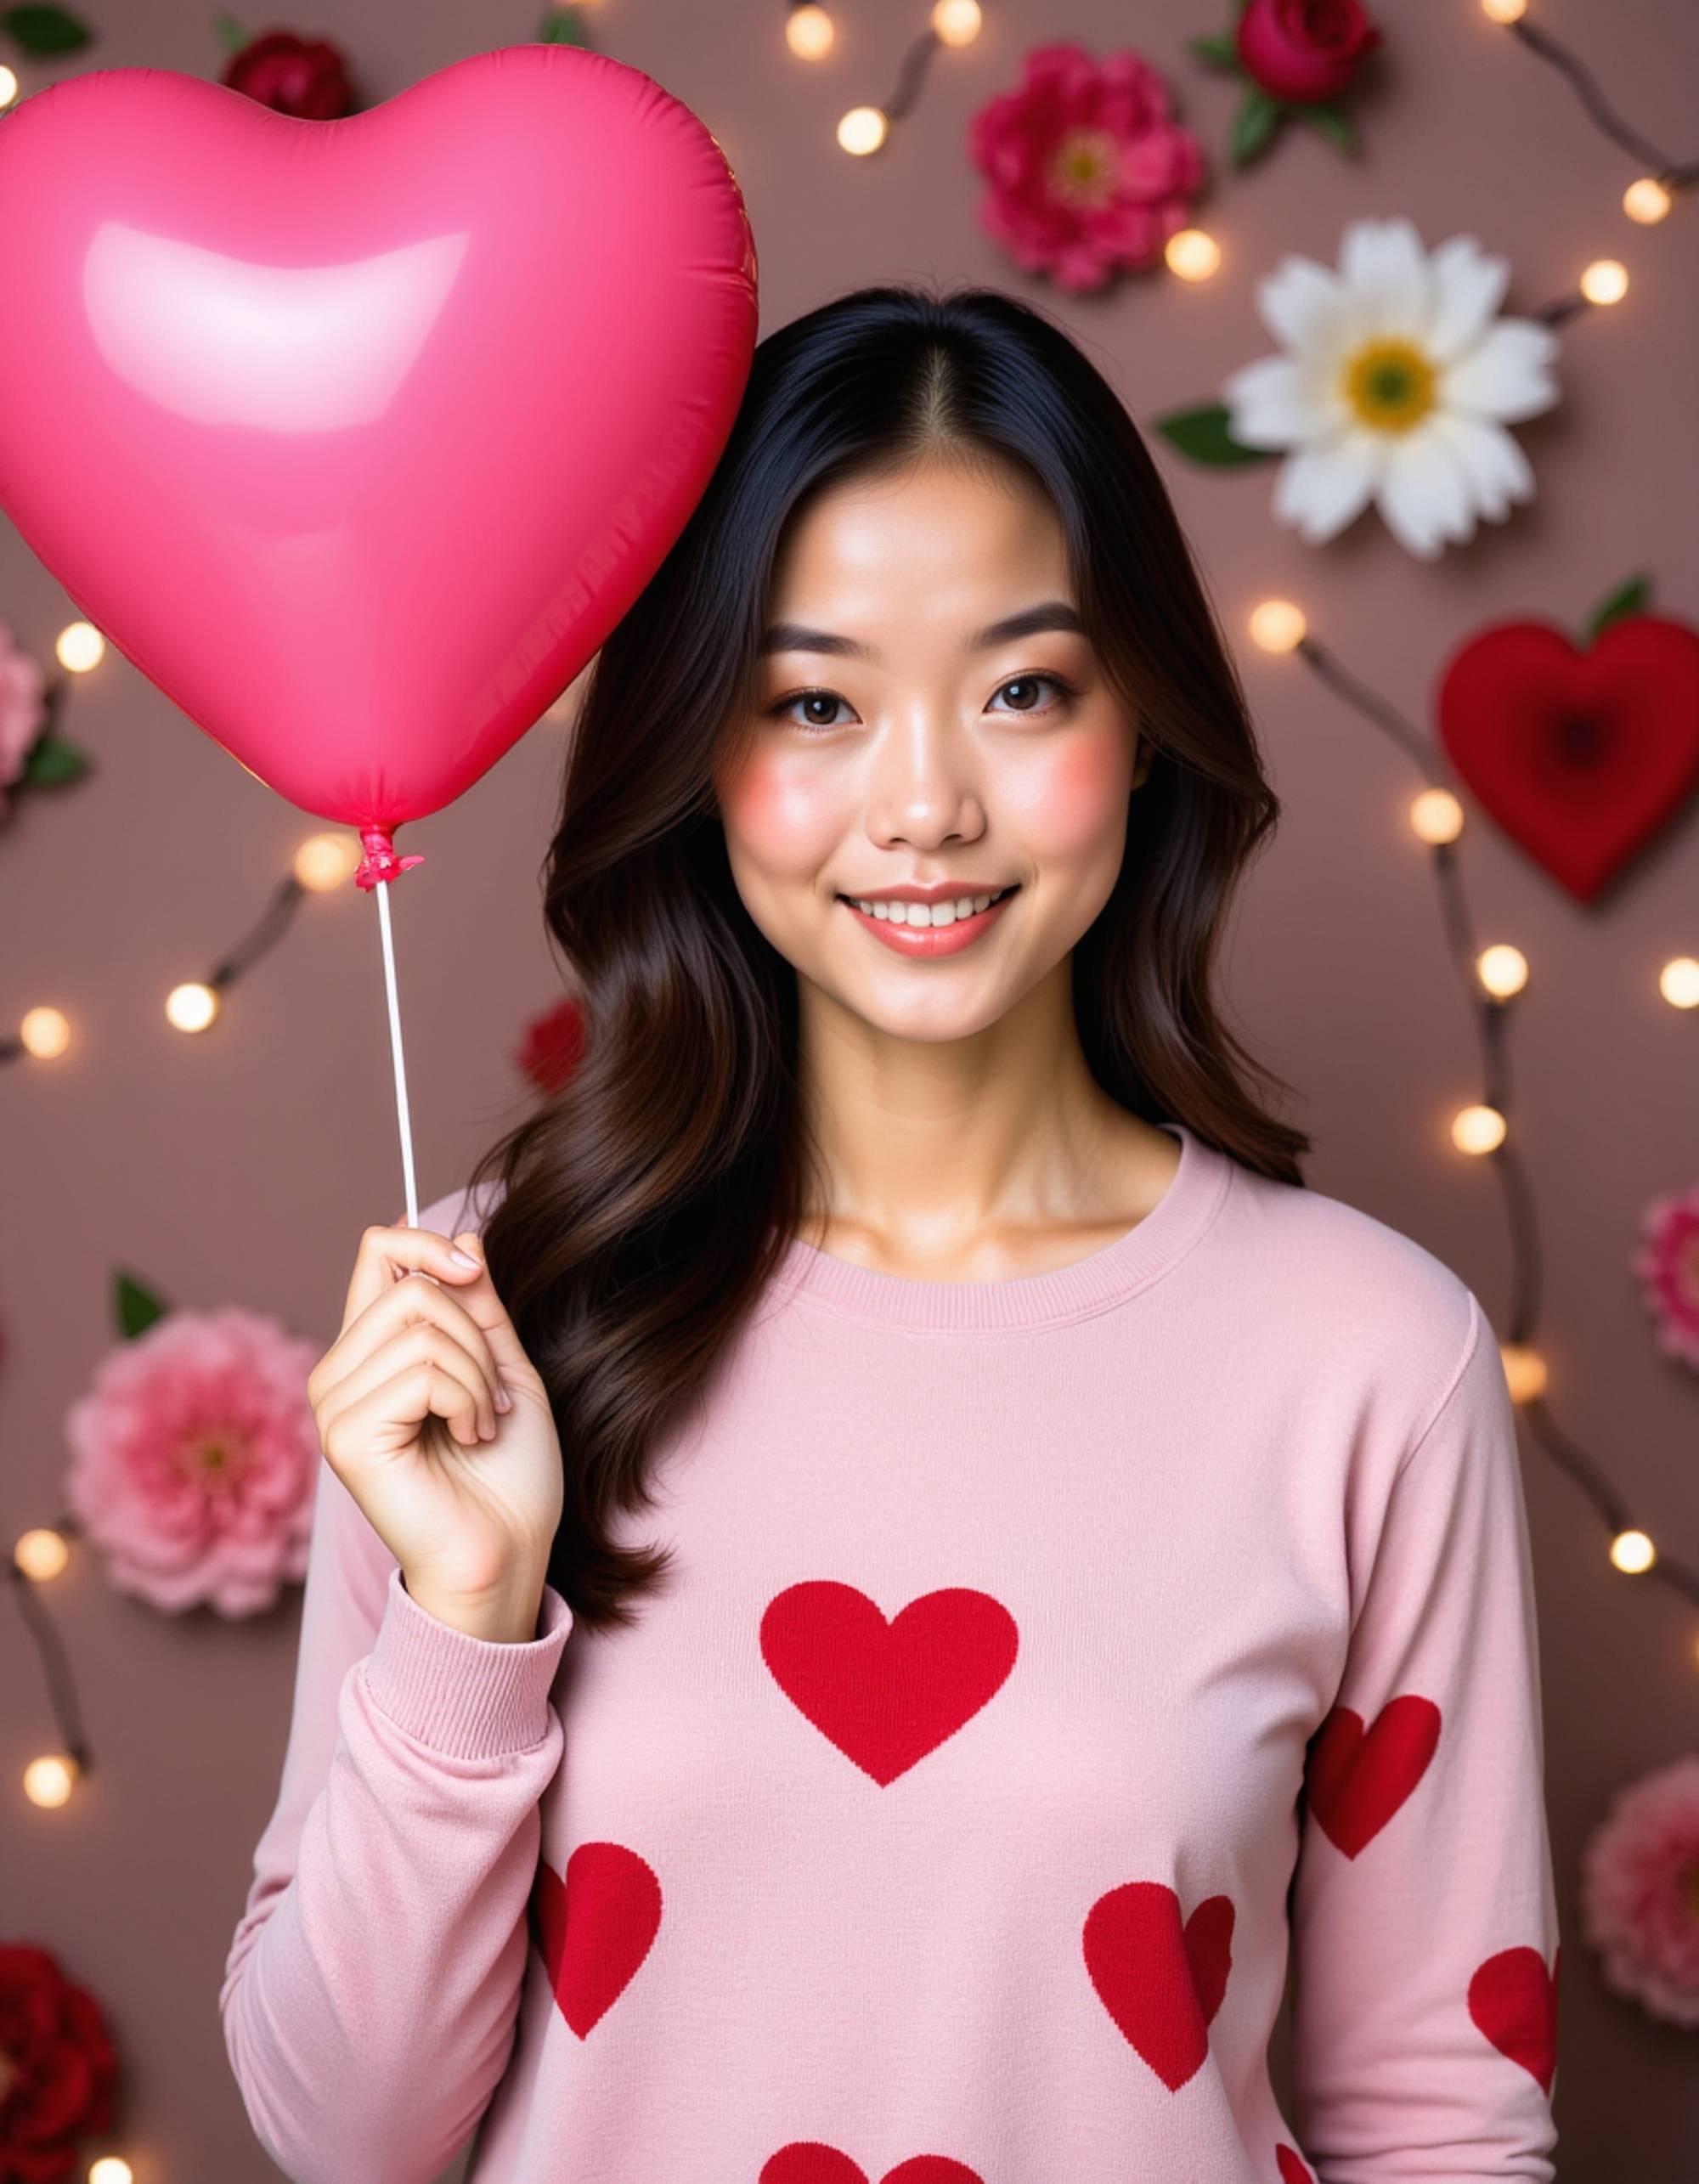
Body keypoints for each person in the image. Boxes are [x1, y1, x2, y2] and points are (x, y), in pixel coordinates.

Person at [220, 283, 1560, 2184]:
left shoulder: (1369, 1357)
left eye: (1023, 688)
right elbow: (342, 2137)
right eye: (815, 703)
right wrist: (469, 1613)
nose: (925, 804)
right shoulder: (484, 1311)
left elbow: (1440, 2116)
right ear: (699, 749)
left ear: (1146, 727)